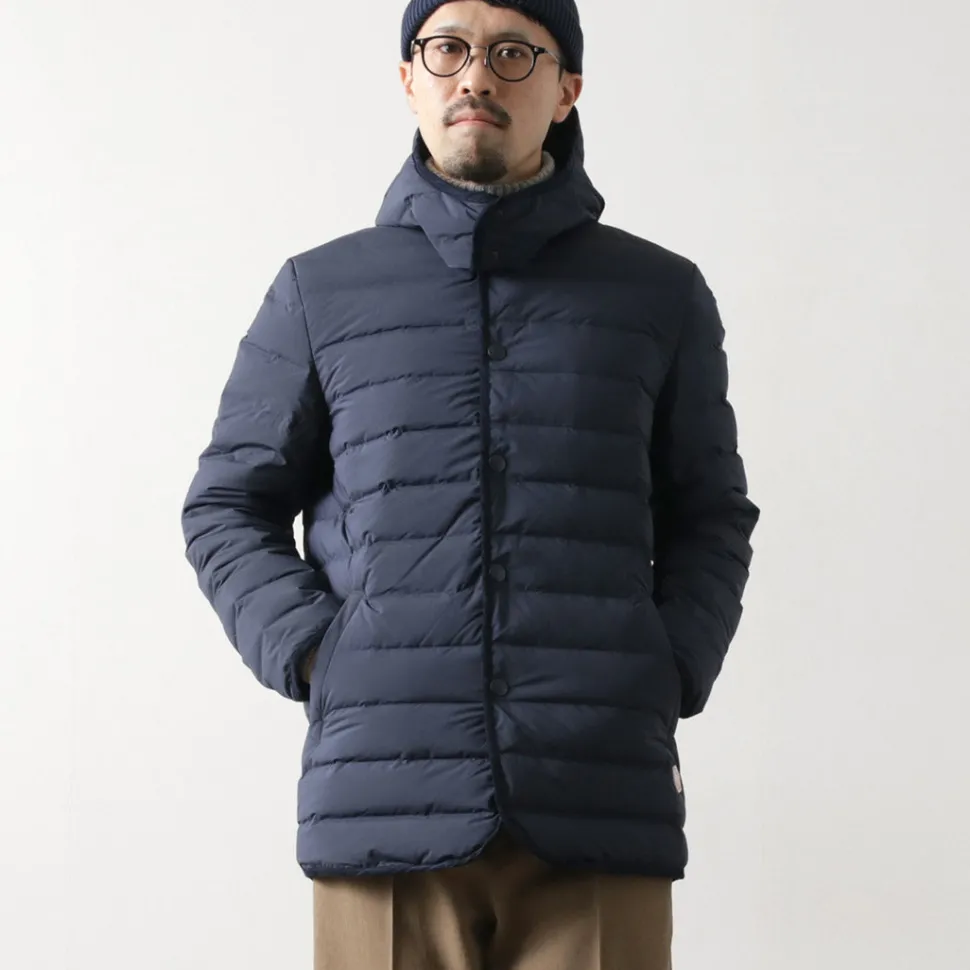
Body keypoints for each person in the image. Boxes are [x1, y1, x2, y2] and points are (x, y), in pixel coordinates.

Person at [180, 1, 761, 966]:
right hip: (383, 804)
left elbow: (711, 512)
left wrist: (666, 665)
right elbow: (228, 504)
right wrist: (322, 654)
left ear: (567, 90)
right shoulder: (320, 291)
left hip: (598, 789)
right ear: (409, 78)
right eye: (447, 48)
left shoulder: (659, 295)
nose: (477, 77)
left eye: (513, 53)